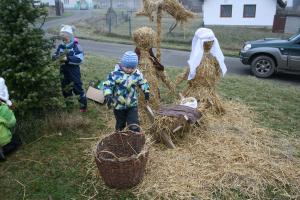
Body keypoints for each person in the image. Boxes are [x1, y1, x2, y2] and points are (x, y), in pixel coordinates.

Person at [103, 51, 150, 132]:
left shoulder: (137, 74)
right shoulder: (115, 74)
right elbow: (107, 85)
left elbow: (143, 82)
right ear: (122, 64)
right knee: (120, 125)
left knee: (134, 124)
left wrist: (146, 90)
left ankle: (135, 139)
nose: (129, 70)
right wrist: (108, 95)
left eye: (132, 68)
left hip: (132, 104)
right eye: (127, 67)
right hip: (118, 105)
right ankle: (120, 138)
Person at [52, 25, 87, 112]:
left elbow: (80, 59)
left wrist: (67, 58)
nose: (64, 40)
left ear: (70, 36)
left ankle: (83, 106)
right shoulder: (61, 46)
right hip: (63, 71)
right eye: (62, 38)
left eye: (66, 37)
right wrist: (56, 58)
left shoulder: (76, 46)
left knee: (77, 88)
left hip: (73, 71)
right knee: (65, 88)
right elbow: (54, 56)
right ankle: (69, 105)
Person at [0, 77, 21, 161]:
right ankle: (2, 152)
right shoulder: (2, 108)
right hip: (3, 142)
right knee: (16, 139)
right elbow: (12, 123)